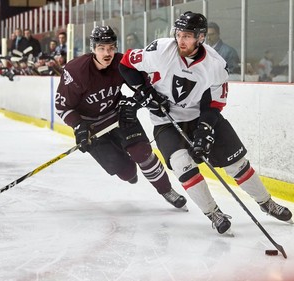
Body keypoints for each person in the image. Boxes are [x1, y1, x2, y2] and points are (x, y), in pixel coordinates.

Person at [119, 11, 292, 234]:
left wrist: (205, 130)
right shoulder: (161, 49)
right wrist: (145, 91)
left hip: (200, 116)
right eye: (179, 34)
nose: (181, 40)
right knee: (182, 163)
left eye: (187, 35)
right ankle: (214, 213)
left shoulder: (215, 64)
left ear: (200, 37)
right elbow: (125, 64)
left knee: (236, 164)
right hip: (166, 120)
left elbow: (214, 104)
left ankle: (266, 202)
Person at [55, 26, 187, 209]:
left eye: (111, 48)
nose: (107, 53)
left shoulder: (122, 62)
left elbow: (144, 88)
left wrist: (136, 103)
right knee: (126, 172)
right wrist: (78, 126)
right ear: (93, 48)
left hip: (118, 115)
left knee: (142, 153)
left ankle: (166, 190)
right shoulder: (76, 71)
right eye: (101, 48)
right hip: (92, 127)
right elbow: (62, 106)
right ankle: (128, 170)